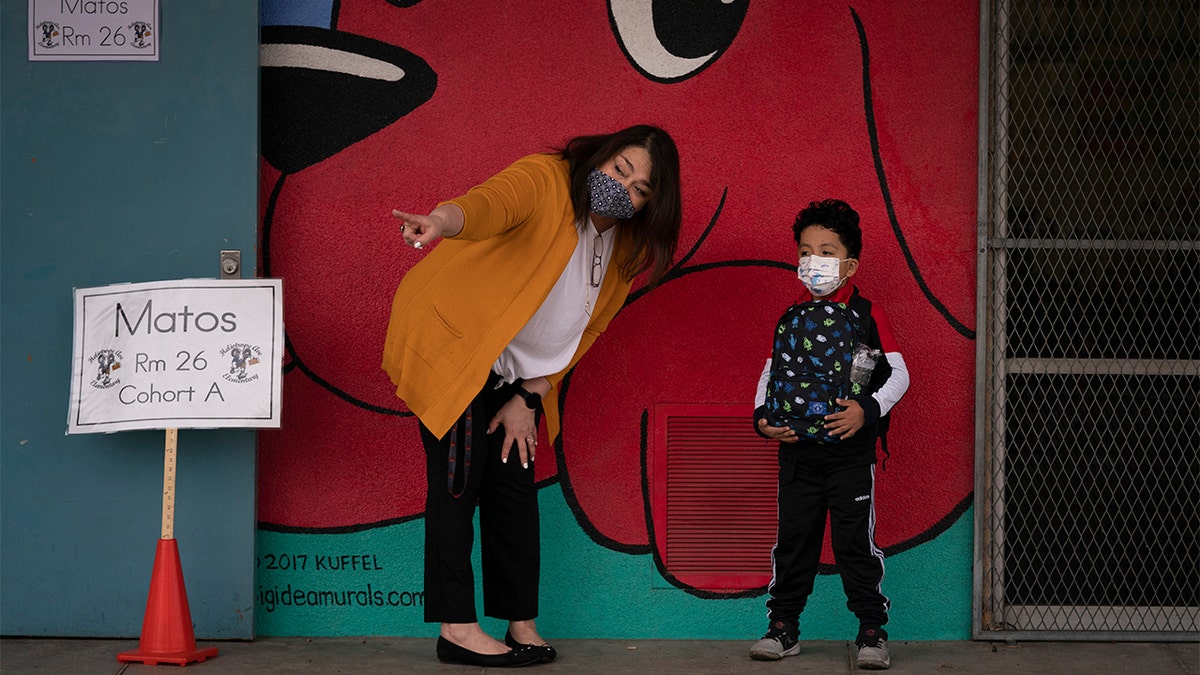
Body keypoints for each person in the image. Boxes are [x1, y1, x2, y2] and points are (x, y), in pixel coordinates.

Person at [382, 125, 683, 668]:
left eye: (641, 189)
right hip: (460, 349)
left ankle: (520, 622)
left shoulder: (625, 246)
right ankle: (457, 629)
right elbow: (485, 207)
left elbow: (590, 328)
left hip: (520, 377)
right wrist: (438, 222)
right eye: (621, 170)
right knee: (457, 484)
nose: (626, 189)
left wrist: (531, 395)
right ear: (599, 157)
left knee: (514, 492)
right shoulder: (546, 180)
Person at [748, 199, 909, 670]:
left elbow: (899, 375)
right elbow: (768, 374)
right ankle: (783, 628)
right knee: (794, 540)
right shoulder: (792, 316)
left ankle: (872, 632)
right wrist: (761, 418)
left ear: (849, 263)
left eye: (826, 251)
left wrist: (867, 410)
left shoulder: (866, 314)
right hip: (797, 455)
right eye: (805, 251)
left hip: (850, 457)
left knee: (854, 543)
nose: (812, 261)